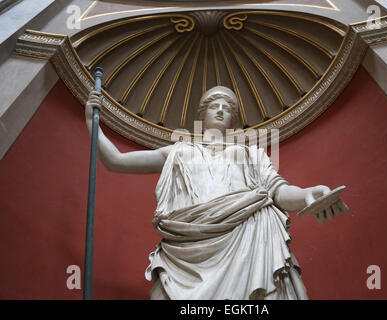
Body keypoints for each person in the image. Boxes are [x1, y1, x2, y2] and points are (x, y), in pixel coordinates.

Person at [85, 86, 342, 300]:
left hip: (249, 244)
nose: (220, 110)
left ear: (233, 119)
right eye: (214, 105)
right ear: (202, 114)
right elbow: (116, 161)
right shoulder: (178, 152)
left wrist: (308, 194)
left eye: (228, 108)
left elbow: (278, 191)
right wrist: (92, 123)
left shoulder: (251, 155)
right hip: (186, 252)